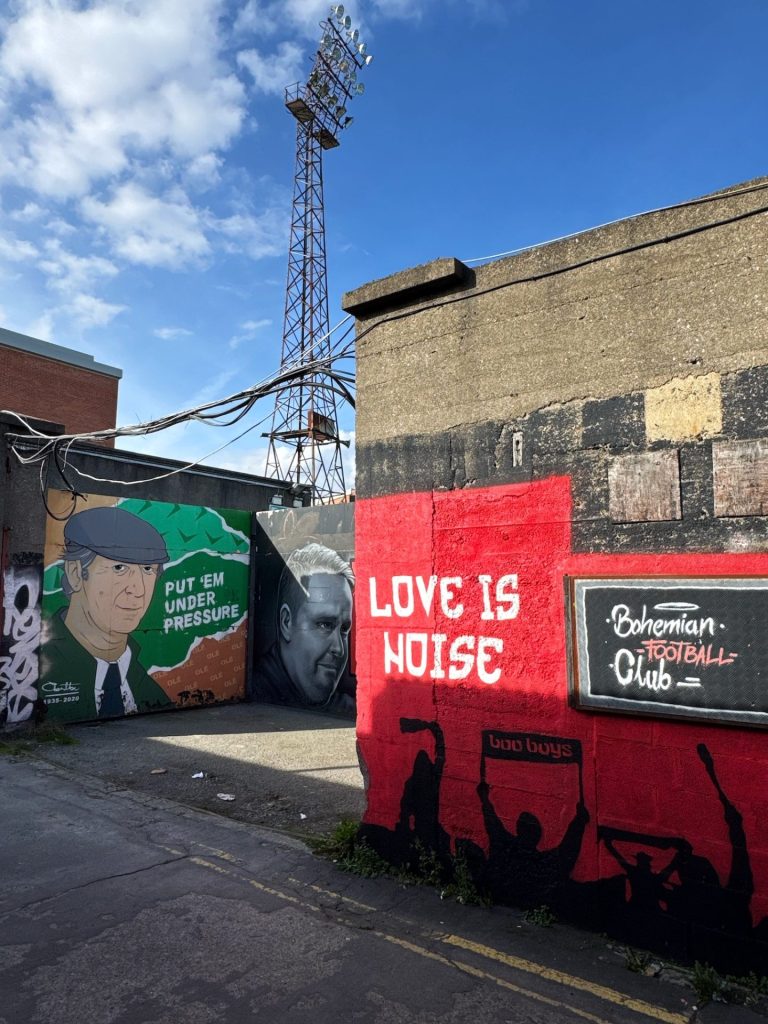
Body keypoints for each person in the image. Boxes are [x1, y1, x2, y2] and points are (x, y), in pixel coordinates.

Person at [39, 506, 172, 720]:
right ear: (75, 573)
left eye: (148, 570)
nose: (138, 590)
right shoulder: (35, 666)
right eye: (119, 568)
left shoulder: (150, 690)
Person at [253, 542, 354, 711]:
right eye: (324, 625)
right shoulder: (257, 695)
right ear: (286, 622)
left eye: (344, 629)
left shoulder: (347, 707)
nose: (339, 649)